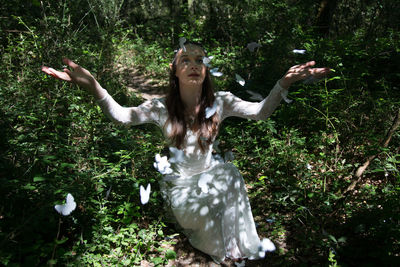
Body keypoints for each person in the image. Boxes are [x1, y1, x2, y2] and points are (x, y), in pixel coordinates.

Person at [42, 41, 330, 263]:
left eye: (199, 60)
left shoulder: (221, 101)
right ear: (175, 71)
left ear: (205, 70)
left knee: (228, 171)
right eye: (185, 60)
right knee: (217, 187)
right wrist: (94, 86)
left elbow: (260, 113)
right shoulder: (160, 107)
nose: (194, 64)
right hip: (181, 190)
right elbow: (122, 116)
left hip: (209, 178)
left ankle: (237, 246)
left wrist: (285, 83)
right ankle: (214, 241)